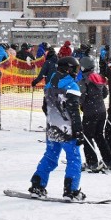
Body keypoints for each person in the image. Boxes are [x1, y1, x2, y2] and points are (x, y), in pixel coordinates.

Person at [28, 56, 86, 200]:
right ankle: (71, 190)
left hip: (52, 128)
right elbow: (74, 112)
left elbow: (44, 106)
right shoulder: (72, 86)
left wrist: (53, 118)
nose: (76, 72)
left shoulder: (49, 84)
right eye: (75, 69)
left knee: (50, 156)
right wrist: (78, 130)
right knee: (74, 158)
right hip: (68, 130)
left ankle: (37, 185)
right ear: (68, 68)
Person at [78, 56, 111, 171]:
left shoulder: (84, 81)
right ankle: (108, 159)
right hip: (101, 111)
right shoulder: (98, 77)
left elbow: (80, 97)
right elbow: (105, 93)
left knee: (87, 137)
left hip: (90, 112)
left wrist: (79, 103)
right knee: (99, 136)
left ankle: (92, 162)